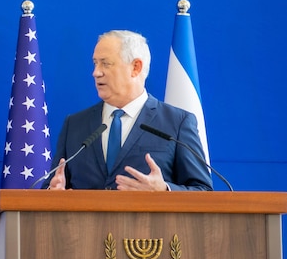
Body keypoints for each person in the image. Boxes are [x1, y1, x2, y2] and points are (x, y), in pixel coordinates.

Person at [47, 30, 212, 191]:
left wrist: (164, 190)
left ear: (136, 67)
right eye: (95, 63)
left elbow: (203, 191)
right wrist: (53, 192)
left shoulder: (177, 123)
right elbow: (53, 184)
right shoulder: (75, 124)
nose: (96, 72)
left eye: (106, 63)